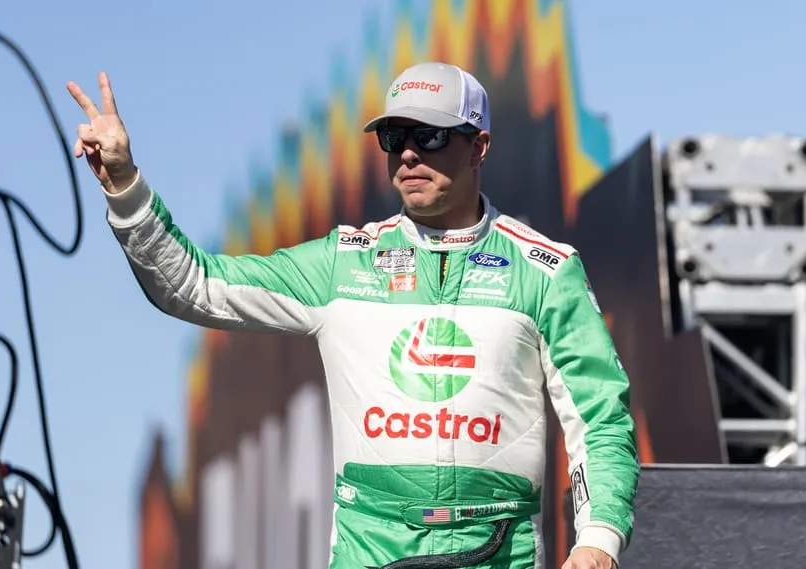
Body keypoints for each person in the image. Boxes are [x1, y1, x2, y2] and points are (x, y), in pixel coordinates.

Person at [67, 61, 638, 569]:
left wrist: (598, 538)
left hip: (500, 554)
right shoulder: (344, 262)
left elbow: (600, 420)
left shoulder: (545, 270)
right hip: (372, 554)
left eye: (430, 135)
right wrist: (125, 186)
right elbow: (193, 285)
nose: (408, 153)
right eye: (393, 137)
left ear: (479, 146)